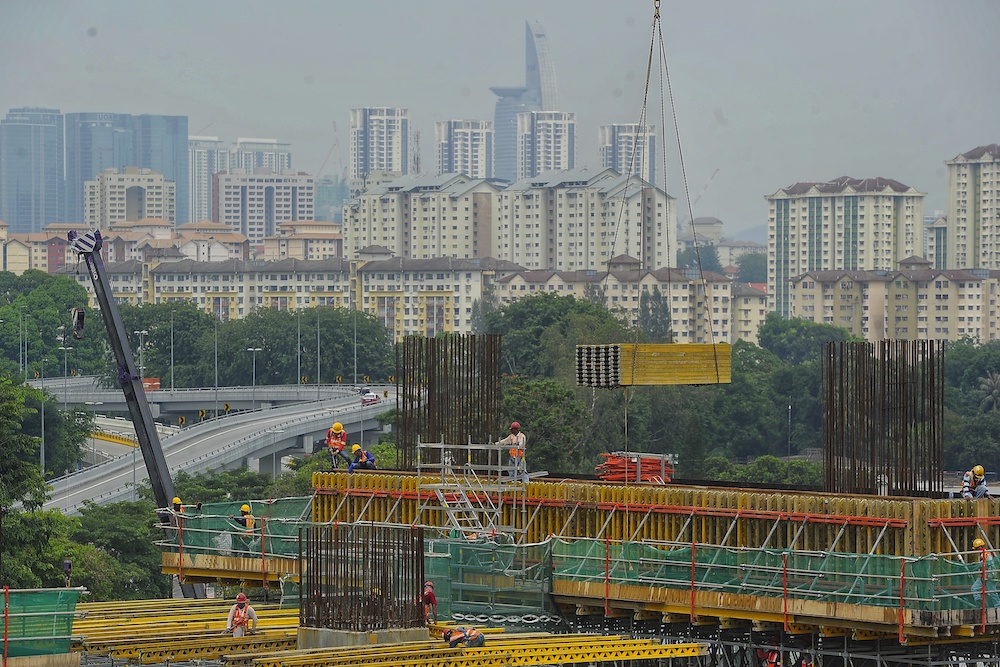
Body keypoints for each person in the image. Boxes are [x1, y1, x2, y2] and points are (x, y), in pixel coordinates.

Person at [971, 537, 1000, 607]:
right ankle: (980, 602)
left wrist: (989, 575)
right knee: (974, 588)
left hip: (989, 577)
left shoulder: (987, 554)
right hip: (983, 576)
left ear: (979, 548)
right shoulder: (981, 555)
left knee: (992, 592)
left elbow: (990, 565)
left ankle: (998, 606)